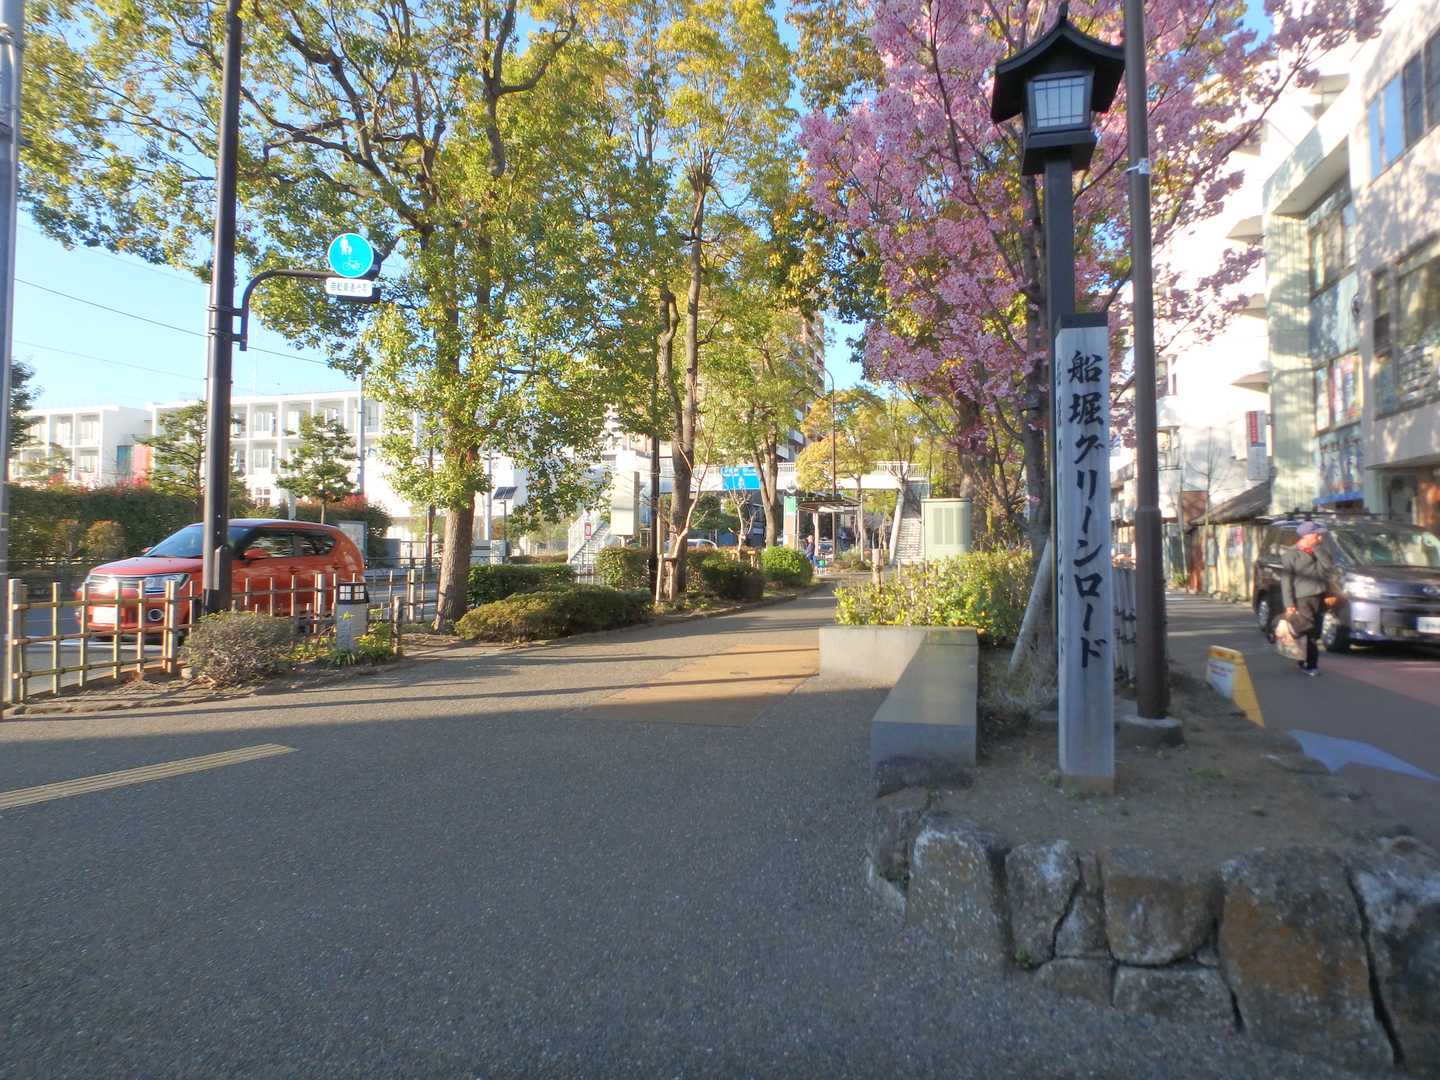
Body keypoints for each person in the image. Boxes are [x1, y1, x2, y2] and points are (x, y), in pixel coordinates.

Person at [1280, 521, 1337, 677]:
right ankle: (1310, 664)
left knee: (1316, 632)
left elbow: (1329, 568)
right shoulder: (1291, 554)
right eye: (1317, 534)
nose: (1320, 537)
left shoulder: (1320, 550)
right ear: (1306, 536)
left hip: (1321, 597)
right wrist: (1289, 604)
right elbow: (1286, 581)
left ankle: (1302, 658)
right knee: (1308, 630)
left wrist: (1317, 548)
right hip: (1302, 598)